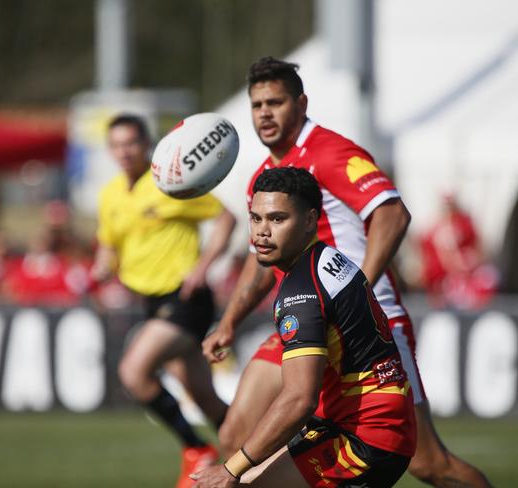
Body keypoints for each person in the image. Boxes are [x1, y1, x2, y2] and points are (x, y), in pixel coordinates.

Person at [202, 57, 491, 487]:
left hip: (366, 325)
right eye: (257, 104)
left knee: (428, 463)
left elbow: (391, 214)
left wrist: (354, 299)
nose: (264, 113)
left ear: (300, 104)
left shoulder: (330, 151)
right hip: (305, 320)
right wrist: (229, 321)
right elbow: (257, 262)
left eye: (275, 102)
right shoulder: (265, 181)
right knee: (236, 431)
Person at [192, 167, 416, 487]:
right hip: (365, 421)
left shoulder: (302, 291)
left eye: (277, 219)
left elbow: (299, 399)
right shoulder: (326, 259)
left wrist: (230, 468)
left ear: (310, 220)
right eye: (256, 219)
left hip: (365, 438)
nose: (262, 232)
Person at [92, 114, 236, 488]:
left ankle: (196, 448)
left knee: (133, 372)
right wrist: (104, 266)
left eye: (131, 143)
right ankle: (258, 447)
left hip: (186, 297)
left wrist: (204, 266)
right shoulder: (110, 193)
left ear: (147, 145)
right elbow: (109, 242)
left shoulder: (170, 182)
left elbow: (226, 218)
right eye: (117, 144)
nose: (124, 151)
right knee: (205, 398)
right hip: (152, 302)